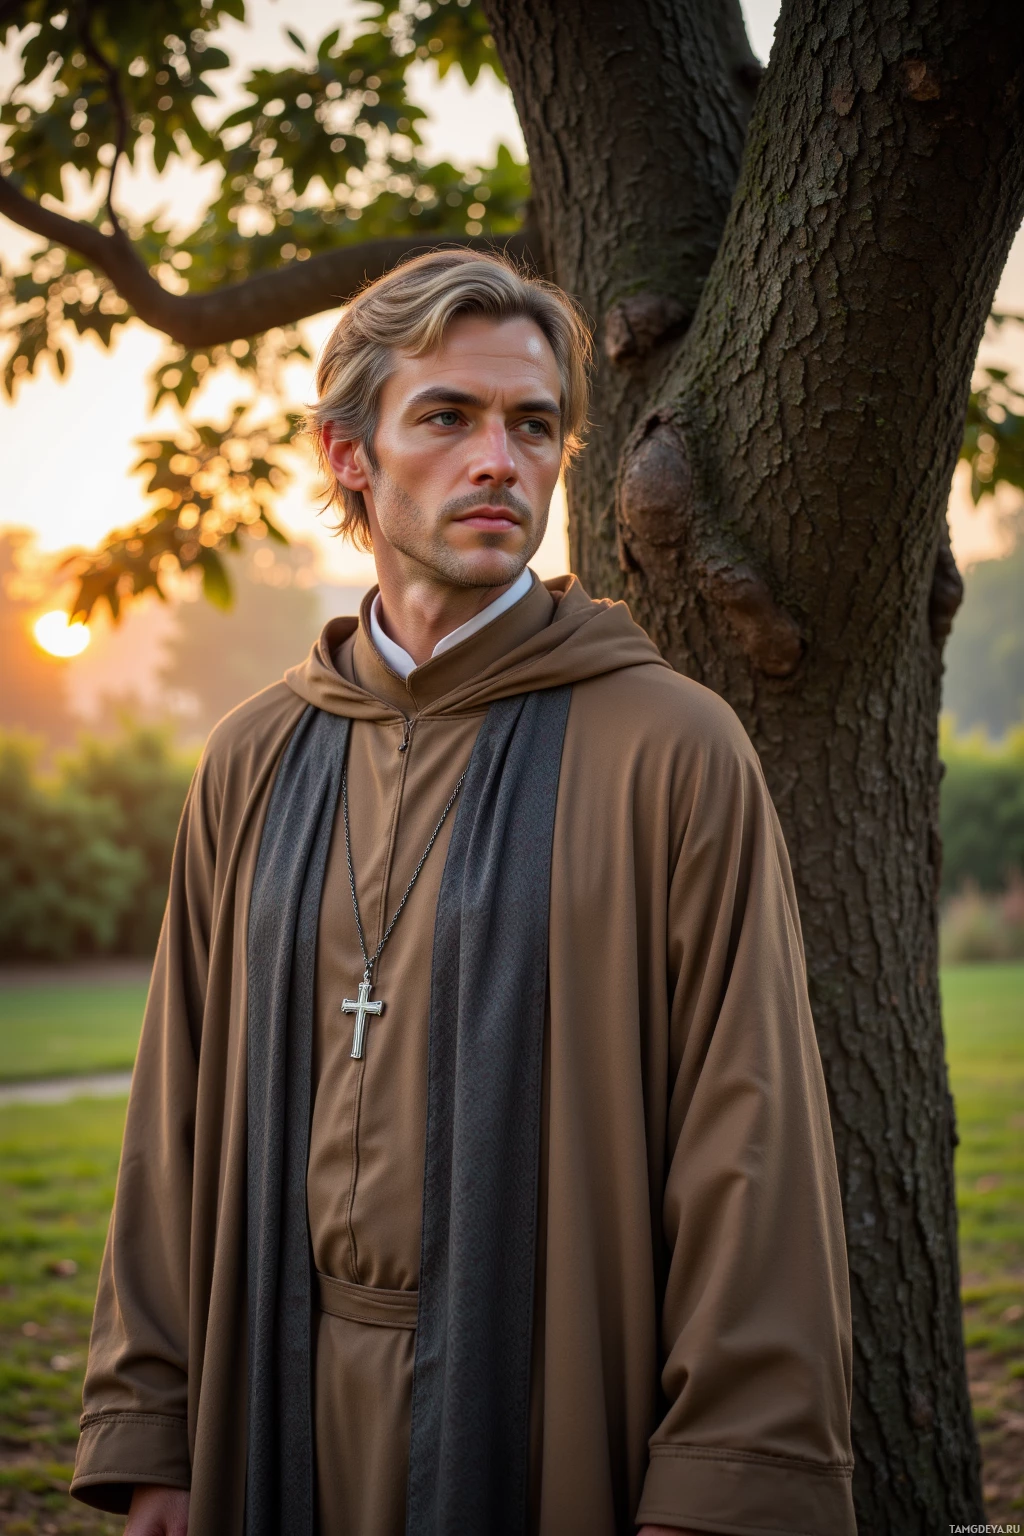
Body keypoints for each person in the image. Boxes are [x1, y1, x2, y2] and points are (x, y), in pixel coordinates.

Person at [71, 250, 856, 1536]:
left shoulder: (669, 747)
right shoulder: (254, 756)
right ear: (348, 456)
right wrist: (153, 1426)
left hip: (557, 1411)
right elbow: (176, 1114)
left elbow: (747, 1134)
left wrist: (720, 1483)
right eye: (447, 416)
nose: (499, 459)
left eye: (532, 424)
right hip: (271, 1402)